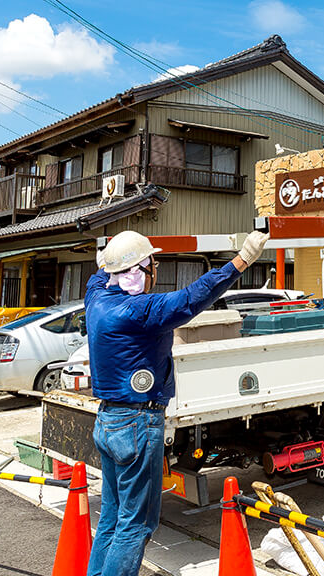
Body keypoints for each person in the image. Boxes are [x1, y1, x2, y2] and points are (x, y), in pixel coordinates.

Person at [85, 228, 269, 576]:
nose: (155, 269)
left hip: (108, 422)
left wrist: (109, 256)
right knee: (135, 525)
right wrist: (241, 260)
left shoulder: (96, 299)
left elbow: (102, 273)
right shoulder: (139, 310)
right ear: (139, 270)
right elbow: (190, 299)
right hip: (136, 425)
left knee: (112, 517)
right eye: (151, 263)